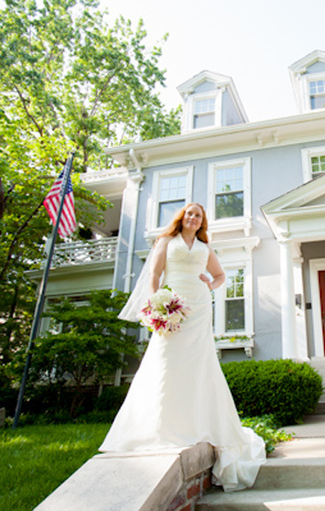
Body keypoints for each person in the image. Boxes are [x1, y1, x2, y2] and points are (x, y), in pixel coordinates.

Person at [100, 203, 265, 491]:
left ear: (202, 222)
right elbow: (153, 275)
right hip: (171, 302)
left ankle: (196, 422)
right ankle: (159, 426)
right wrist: (155, 304)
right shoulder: (166, 241)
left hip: (199, 306)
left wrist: (210, 285)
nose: (193, 217)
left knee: (198, 363)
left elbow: (221, 276)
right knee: (165, 360)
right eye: (189, 213)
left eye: (198, 215)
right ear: (182, 217)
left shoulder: (204, 246)